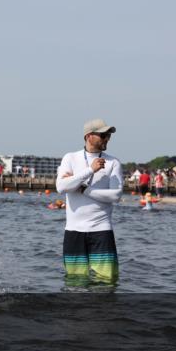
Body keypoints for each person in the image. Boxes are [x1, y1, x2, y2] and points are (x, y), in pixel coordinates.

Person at [56, 119, 123, 284]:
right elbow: (61, 187)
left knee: (107, 283)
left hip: (102, 231)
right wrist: (90, 170)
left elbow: (115, 196)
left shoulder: (113, 163)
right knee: (74, 283)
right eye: (103, 135)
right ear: (88, 136)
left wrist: (84, 189)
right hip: (73, 232)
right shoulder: (70, 158)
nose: (107, 138)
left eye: (108, 135)